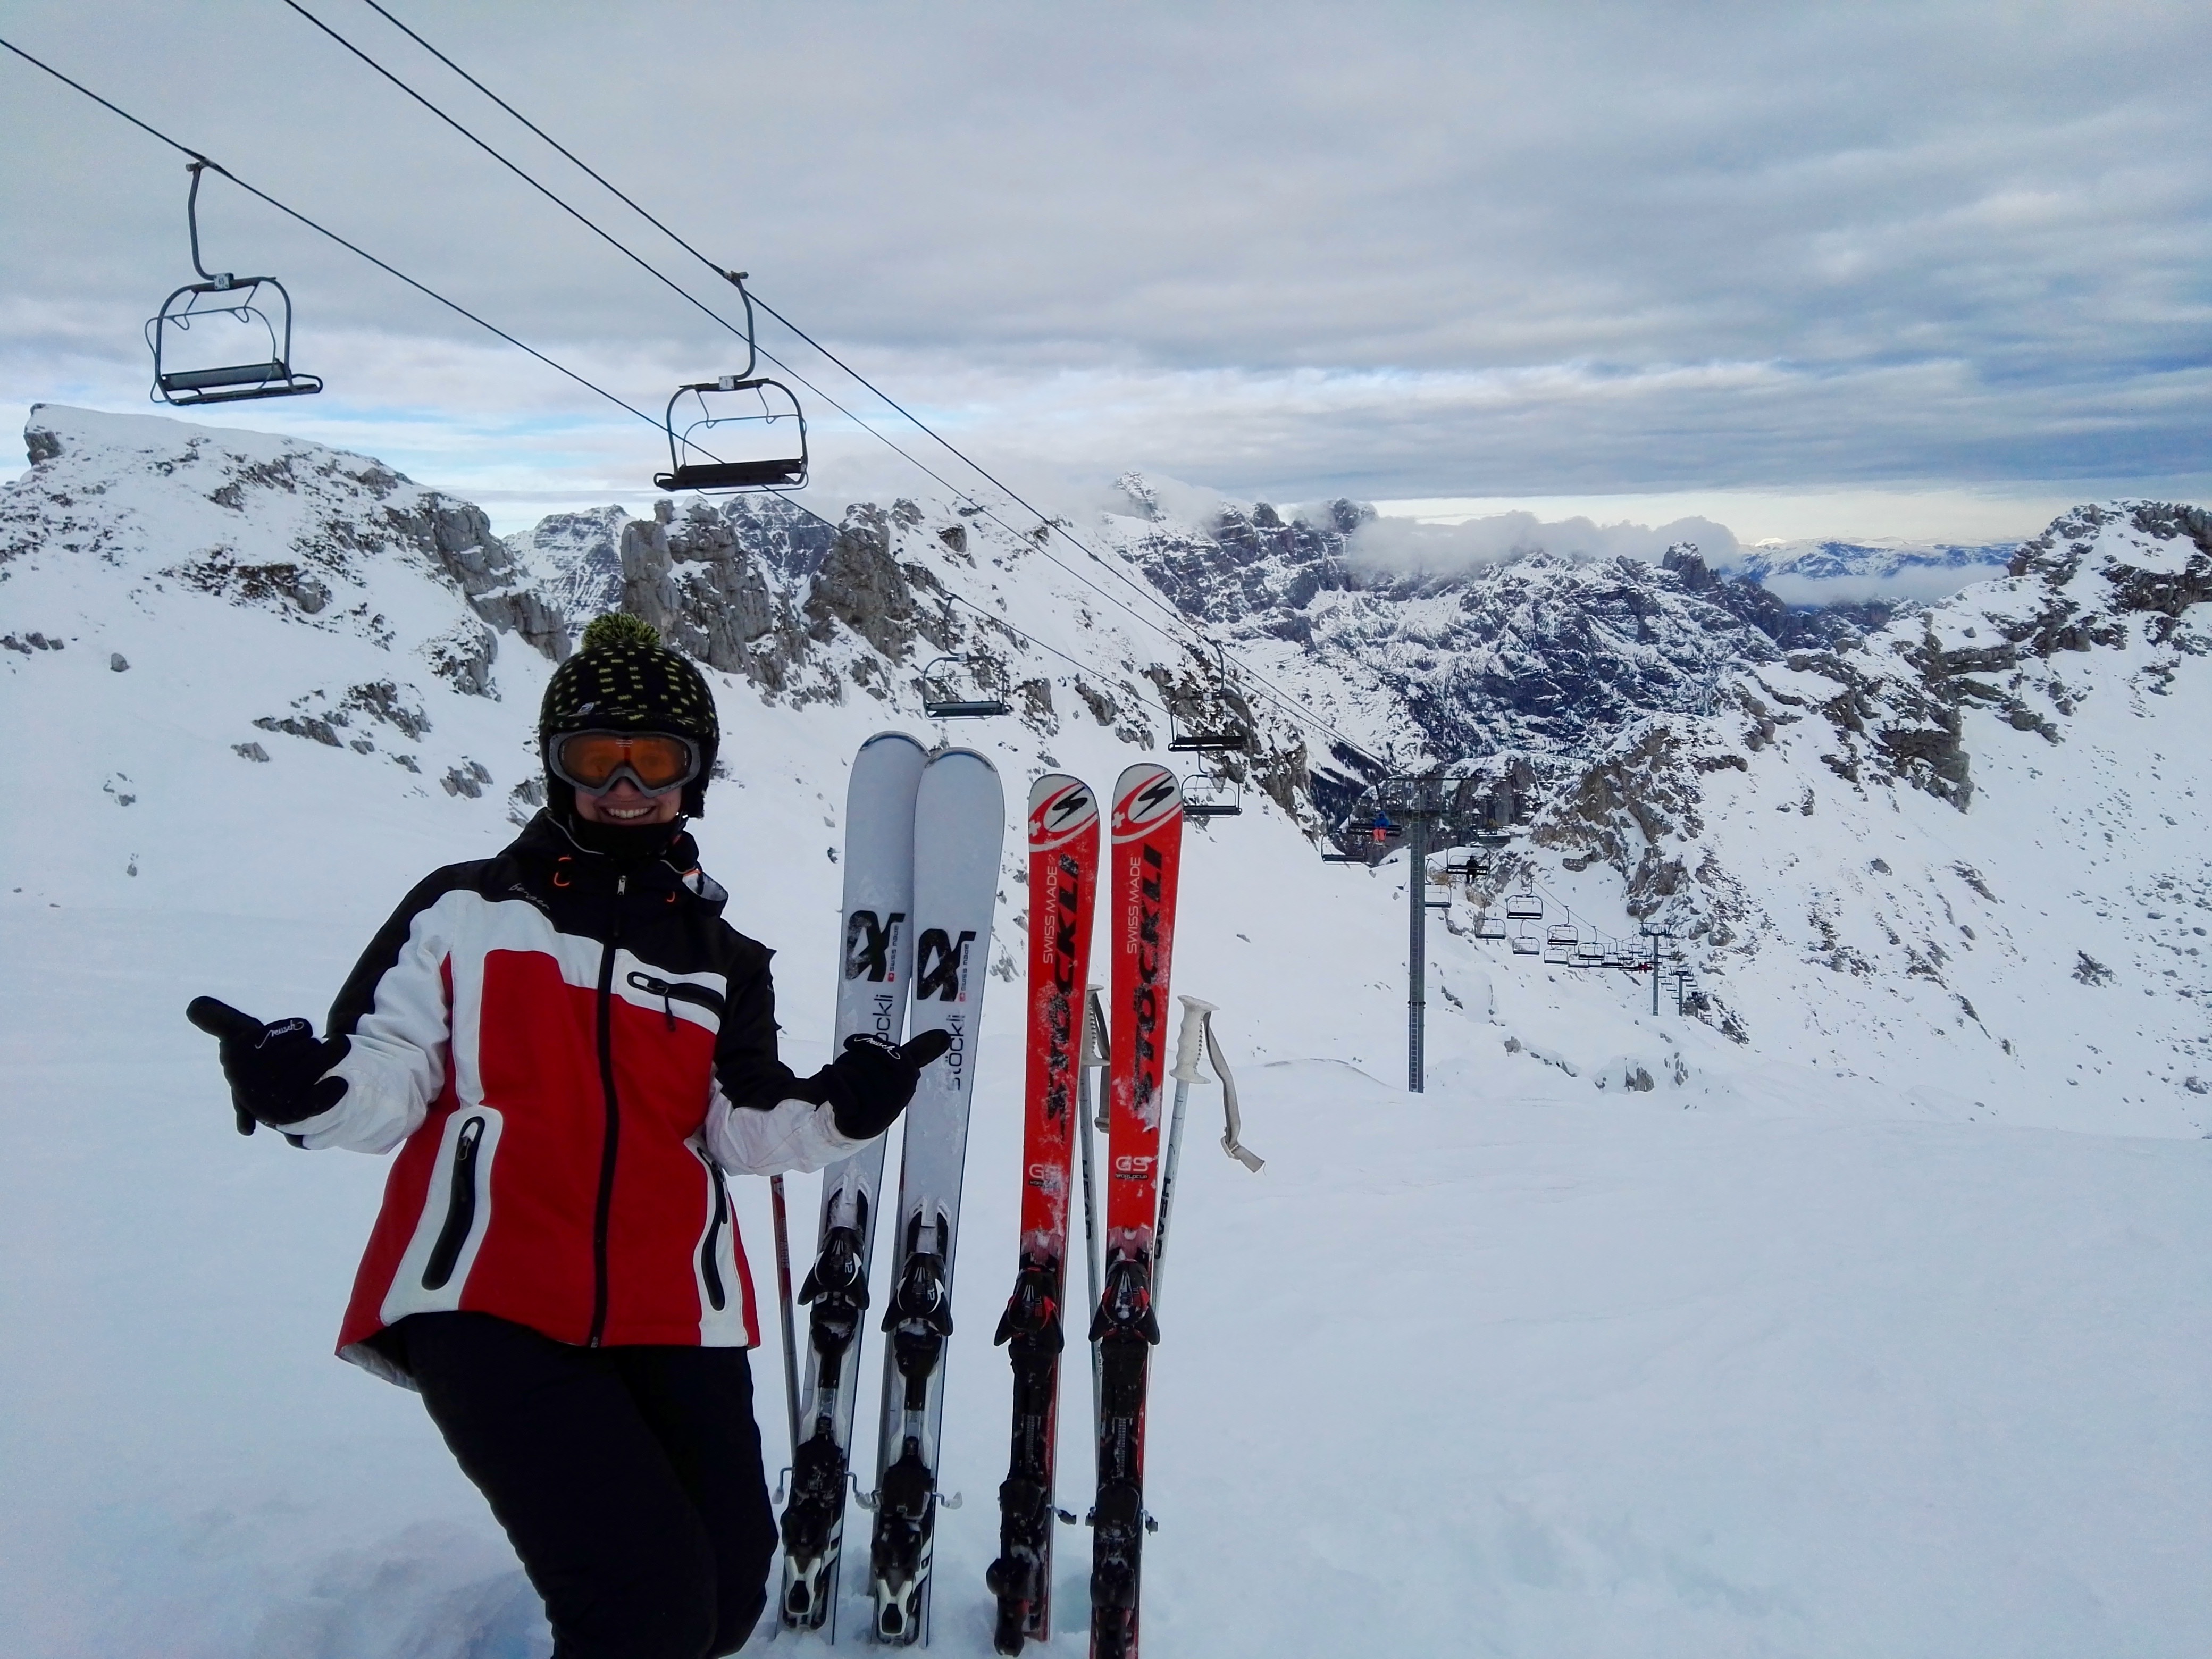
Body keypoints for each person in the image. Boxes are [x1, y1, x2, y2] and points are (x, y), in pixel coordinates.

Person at [188, 611, 944, 1659]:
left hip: (675, 1307)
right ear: (556, 768)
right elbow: (388, 1077)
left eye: (654, 760)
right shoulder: (465, 910)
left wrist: (839, 1113)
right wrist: (308, 1093)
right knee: (643, 1609)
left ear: (695, 775)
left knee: (726, 1598)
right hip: (488, 1297)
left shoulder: (723, 958)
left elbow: (738, 1127)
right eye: (596, 758)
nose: (624, 787)